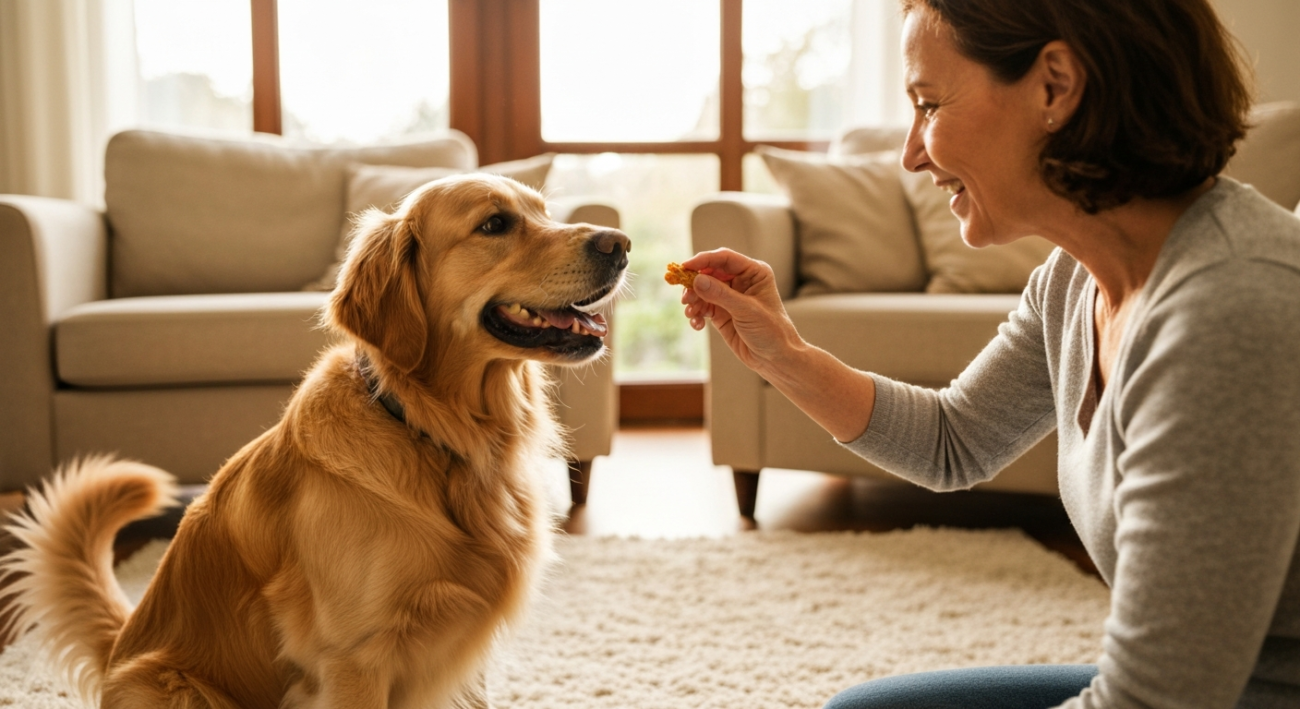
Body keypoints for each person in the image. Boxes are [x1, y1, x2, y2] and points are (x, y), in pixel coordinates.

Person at [678, 0, 1300, 706]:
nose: (912, 153)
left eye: (929, 104)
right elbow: (954, 440)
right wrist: (781, 351)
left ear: (1055, 87)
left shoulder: (1229, 311)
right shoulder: (1075, 280)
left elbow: (1157, 700)